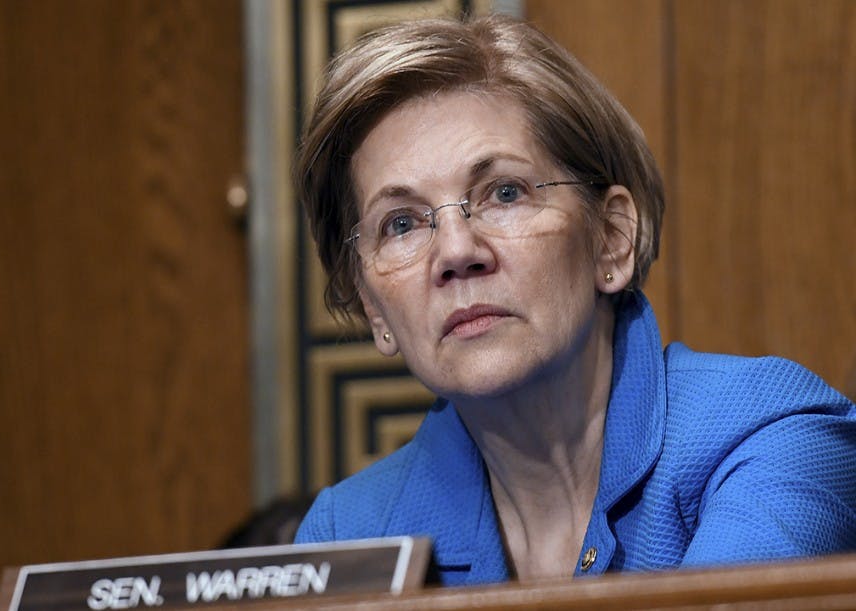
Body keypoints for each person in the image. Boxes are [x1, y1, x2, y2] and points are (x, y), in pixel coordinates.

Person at [292, 14, 856, 586]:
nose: (457, 252)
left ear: (611, 238)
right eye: (402, 224)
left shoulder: (770, 435)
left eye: (504, 193)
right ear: (373, 309)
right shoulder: (349, 535)